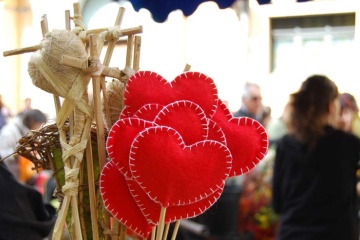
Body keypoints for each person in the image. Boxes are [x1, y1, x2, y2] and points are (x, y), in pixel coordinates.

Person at [272, 74, 360, 240]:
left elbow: (277, 204)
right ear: (331, 107)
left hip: (292, 234)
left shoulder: (285, 145)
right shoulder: (348, 144)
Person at [0, 109, 47, 180]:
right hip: (9, 176)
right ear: (33, 121)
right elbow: (2, 154)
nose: (39, 128)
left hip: (20, 176)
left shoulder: (27, 132)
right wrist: (18, 152)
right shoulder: (9, 132)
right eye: (40, 125)